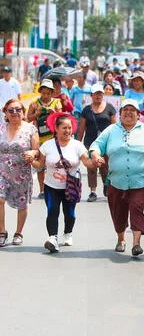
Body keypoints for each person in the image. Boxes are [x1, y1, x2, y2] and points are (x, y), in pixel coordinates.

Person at [89, 99, 144, 256]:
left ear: (138, 115)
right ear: (120, 114)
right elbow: (96, 145)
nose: (128, 113)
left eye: (132, 110)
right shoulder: (112, 130)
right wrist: (96, 155)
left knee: (136, 207)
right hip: (116, 180)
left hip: (141, 179)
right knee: (118, 211)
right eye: (125, 110)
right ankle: (121, 239)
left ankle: (136, 243)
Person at [31, 112, 94, 253]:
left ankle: (68, 232)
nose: (67, 131)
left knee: (69, 213)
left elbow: (87, 162)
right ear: (56, 129)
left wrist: (95, 162)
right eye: (64, 128)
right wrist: (31, 162)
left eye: (69, 128)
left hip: (71, 186)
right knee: (52, 211)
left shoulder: (77, 145)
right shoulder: (47, 145)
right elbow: (40, 164)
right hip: (51, 186)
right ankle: (52, 238)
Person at [0, 99, 39, 246]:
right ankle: (2, 232)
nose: (15, 113)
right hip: (1, 170)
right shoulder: (1, 128)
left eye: (18, 109)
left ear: (23, 112)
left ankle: (18, 232)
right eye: (11, 110)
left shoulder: (30, 129)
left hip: (21, 172)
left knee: (22, 203)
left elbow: (37, 150)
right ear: (5, 113)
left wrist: (32, 153)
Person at [76, 84, 116, 201]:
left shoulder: (110, 108)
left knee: (105, 167)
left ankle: (106, 186)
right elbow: (81, 128)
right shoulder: (86, 110)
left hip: (106, 144)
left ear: (103, 95)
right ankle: (92, 191)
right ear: (91, 95)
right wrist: (78, 144)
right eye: (96, 94)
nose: (98, 96)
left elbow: (114, 127)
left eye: (100, 93)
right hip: (90, 143)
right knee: (91, 167)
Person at [26, 79, 62, 199]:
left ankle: (53, 188)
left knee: (54, 164)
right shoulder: (34, 103)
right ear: (40, 91)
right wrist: (37, 113)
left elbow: (62, 120)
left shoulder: (57, 102)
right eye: (43, 93)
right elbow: (28, 119)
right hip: (40, 139)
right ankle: (42, 190)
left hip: (53, 138)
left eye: (48, 93)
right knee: (41, 166)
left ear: (52, 93)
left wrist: (54, 113)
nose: (45, 96)